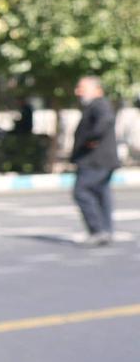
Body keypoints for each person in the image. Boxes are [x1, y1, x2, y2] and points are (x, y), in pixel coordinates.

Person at [69, 75, 118, 245]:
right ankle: (105, 231)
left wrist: (91, 138)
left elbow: (106, 121)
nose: (78, 92)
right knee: (101, 194)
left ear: (96, 89)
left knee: (81, 191)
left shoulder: (99, 104)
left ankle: (97, 230)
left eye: (82, 88)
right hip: (100, 160)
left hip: (95, 160)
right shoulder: (95, 105)